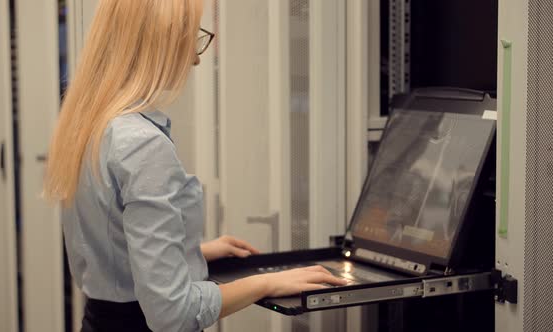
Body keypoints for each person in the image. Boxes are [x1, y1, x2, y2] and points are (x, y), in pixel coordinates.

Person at [43, 1, 346, 331]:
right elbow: (173, 314)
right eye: (194, 37)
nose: (196, 57)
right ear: (163, 40)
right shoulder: (142, 144)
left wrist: (192, 251)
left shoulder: (88, 126)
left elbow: (107, 252)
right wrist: (268, 283)